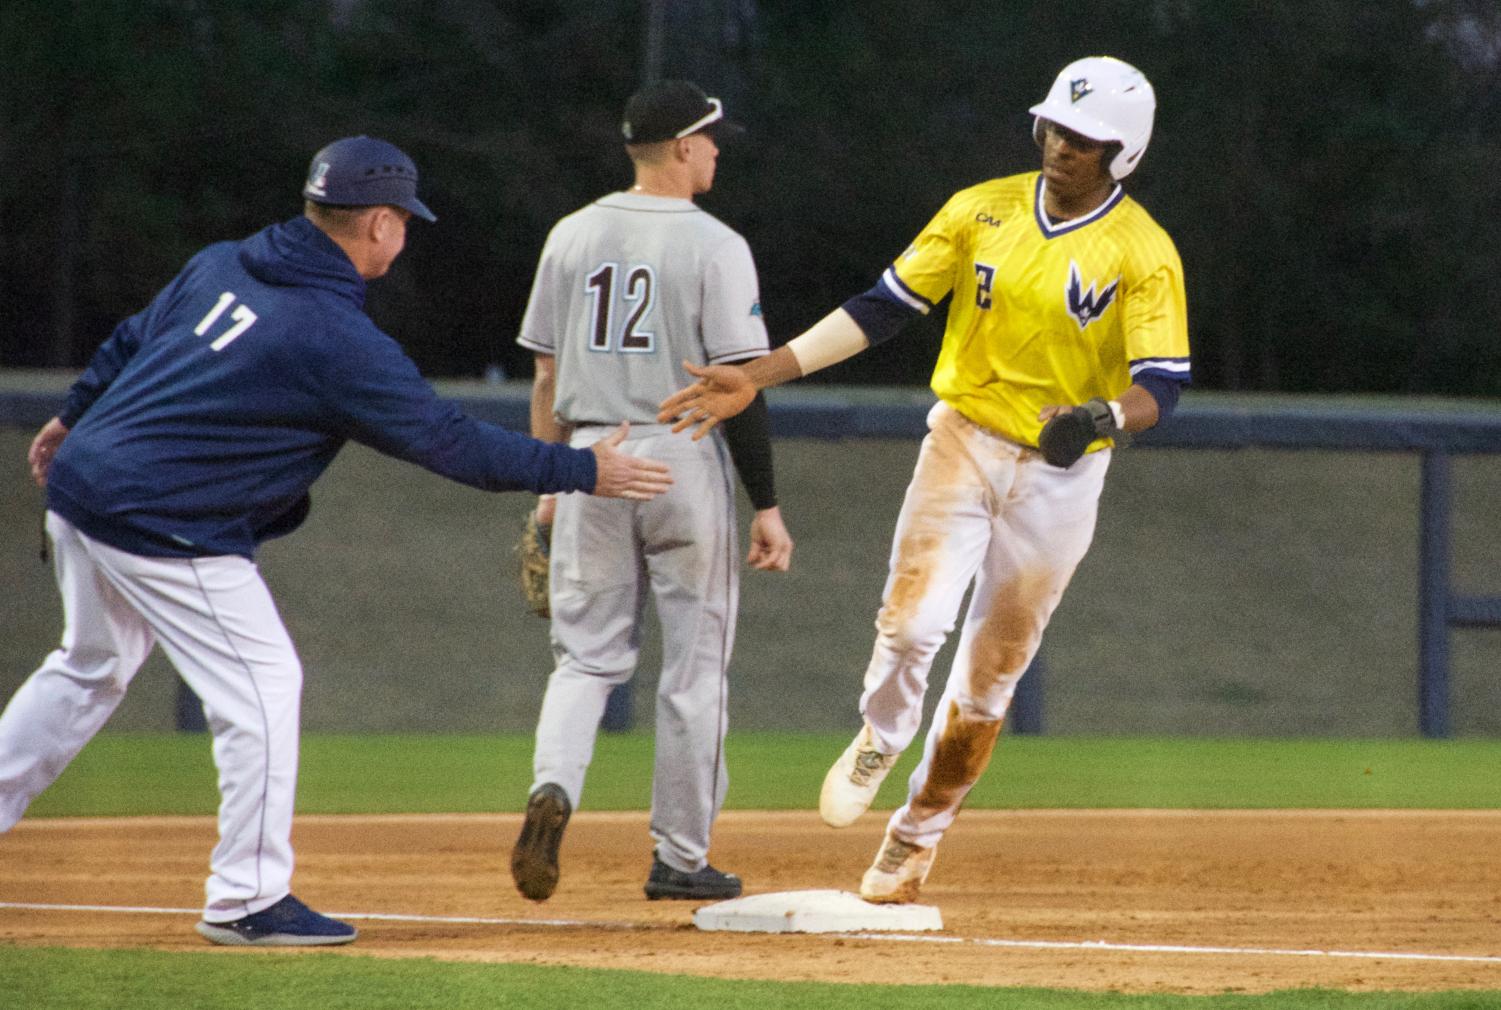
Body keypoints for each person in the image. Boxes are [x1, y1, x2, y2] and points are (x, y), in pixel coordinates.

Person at [0, 136, 673, 947]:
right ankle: (247, 901)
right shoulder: (331, 335)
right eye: (405, 223)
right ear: (382, 225)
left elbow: (129, 339)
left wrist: (70, 414)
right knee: (262, 690)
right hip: (161, 521)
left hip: (83, 490)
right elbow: (448, 442)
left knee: (87, 666)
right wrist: (580, 467)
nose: (405, 236)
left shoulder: (223, 263)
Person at [659, 57, 1190, 903]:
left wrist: (1102, 418)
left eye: (1083, 139)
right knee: (911, 628)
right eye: (1053, 125)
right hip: (964, 438)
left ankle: (915, 837)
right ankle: (880, 731)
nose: (1059, 144)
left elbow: (1159, 385)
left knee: (990, 678)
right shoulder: (981, 208)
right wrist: (756, 375)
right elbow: (882, 307)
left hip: (1063, 475)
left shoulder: (1143, 251)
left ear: (1122, 153)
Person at [508, 80, 793, 903]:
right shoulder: (715, 243)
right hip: (682, 454)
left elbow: (545, 372)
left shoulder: (570, 234)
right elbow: (738, 383)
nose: (715, 151)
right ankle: (680, 857)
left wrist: (547, 485)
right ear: (678, 147)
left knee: (584, 659)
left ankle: (553, 787)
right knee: (694, 670)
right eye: (708, 139)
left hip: (593, 453)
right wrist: (766, 503)